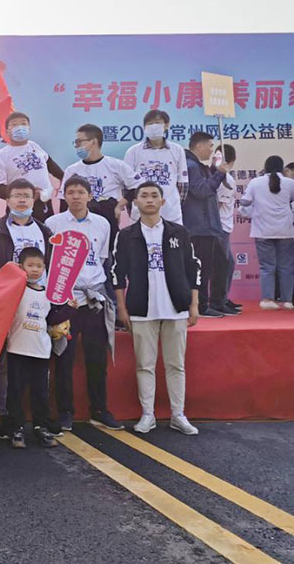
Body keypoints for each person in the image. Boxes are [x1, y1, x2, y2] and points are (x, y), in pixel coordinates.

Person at [112, 182, 201, 435]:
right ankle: (147, 415)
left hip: (176, 307)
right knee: (144, 365)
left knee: (176, 365)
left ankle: (178, 414)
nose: (149, 200)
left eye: (154, 196)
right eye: (144, 196)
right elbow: (117, 273)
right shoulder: (126, 235)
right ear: (135, 202)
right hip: (141, 308)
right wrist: (122, 308)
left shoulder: (178, 232)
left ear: (163, 201)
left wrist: (194, 305)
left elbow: (193, 267)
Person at [0, 178, 54, 437]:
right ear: (7, 200)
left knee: (37, 364)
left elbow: (53, 268)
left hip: (39, 303)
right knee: (6, 365)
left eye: (26, 196)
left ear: (34, 200)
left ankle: (39, 421)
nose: (22, 200)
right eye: (16, 196)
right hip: (7, 304)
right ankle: (8, 419)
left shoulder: (45, 232)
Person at [45, 176, 122, 432]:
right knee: (63, 357)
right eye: (70, 192)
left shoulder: (102, 224)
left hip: (93, 300)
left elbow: (102, 260)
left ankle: (99, 409)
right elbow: (50, 263)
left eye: (80, 192)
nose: (76, 196)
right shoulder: (53, 223)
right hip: (65, 301)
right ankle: (65, 412)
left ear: (90, 196)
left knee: (97, 357)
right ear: (64, 196)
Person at [3, 247, 72, 449]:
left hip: (41, 351)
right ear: (21, 267)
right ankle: (16, 428)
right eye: (30, 265)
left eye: (39, 266)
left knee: (40, 393)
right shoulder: (15, 290)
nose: (35, 270)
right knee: (15, 391)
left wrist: (70, 309)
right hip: (17, 349)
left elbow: (52, 319)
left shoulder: (48, 294)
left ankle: (40, 427)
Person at [60, 123, 137, 248]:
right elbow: (63, 201)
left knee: (109, 252)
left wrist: (119, 206)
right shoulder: (72, 170)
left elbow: (136, 187)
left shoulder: (116, 165)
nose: (76, 146)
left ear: (93, 142)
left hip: (108, 216)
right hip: (79, 221)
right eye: (75, 142)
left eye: (79, 142)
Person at [182, 131, 232, 317]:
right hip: (199, 227)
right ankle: (201, 305)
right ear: (199, 146)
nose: (212, 150)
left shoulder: (196, 165)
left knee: (211, 266)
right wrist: (219, 174)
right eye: (210, 146)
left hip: (205, 225)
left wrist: (213, 169)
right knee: (201, 268)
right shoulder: (191, 166)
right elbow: (201, 190)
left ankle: (209, 303)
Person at [240, 155, 294, 310]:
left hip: (262, 230)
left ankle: (268, 299)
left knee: (266, 267)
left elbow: (244, 202)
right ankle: (287, 300)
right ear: (282, 168)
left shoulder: (255, 182)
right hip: (285, 230)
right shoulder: (290, 183)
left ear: (266, 167)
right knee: (286, 267)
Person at [0, 112, 64, 222]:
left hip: (44, 203)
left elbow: (50, 164)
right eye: (14, 124)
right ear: (6, 131)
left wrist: (65, 177)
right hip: (19, 207)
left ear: (29, 128)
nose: (20, 127)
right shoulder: (1, 156)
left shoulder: (34, 146)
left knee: (46, 231)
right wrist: (24, 194)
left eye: (23, 124)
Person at [123, 109, 188, 225]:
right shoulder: (133, 152)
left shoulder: (177, 150)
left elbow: (182, 185)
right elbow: (126, 186)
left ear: (166, 125)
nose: (153, 126)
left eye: (157, 123)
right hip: (140, 215)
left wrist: (173, 203)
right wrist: (133, 207)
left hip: (171, 214)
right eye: (149, 124)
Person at [215, 144, 241, 315]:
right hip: (220, 227)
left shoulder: (224, 178)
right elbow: (217, 204)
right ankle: (219, 300)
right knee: (223, 265)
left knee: (228, 263)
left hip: (222, 227)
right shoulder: (225, 180)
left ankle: (222, 297)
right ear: (233, 159)